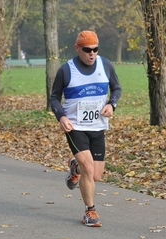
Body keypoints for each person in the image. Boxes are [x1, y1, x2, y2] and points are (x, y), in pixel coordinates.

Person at [50, 30, 122, 227]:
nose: (92, 54)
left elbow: (117, 88)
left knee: (96, 175)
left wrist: (111, 104)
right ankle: (90, 212)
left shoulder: (105, 65)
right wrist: (61, 117)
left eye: (95, 49)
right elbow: (54, 98)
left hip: (98, 126)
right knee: (88, 169)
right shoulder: (66, 70)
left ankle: (75, 165)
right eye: (87, 50)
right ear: (77, 48)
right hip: (75, 126)